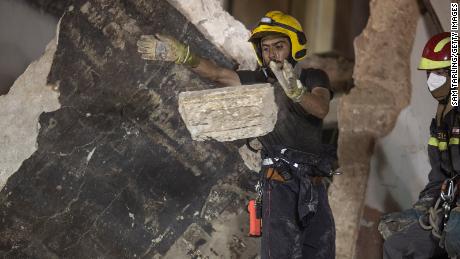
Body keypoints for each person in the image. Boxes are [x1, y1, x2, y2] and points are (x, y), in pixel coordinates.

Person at [137, 10, 336, 259]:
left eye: (279, 46)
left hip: (314, 185)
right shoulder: (257, 82)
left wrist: (296, 91)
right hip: (280, 184)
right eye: (266, 48)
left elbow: (320, 107)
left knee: (321, 251)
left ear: (294, 46)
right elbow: (217, 73)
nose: (272, 53)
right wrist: (183, 55)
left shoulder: (313, 77)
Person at [379, 32, 460, 259]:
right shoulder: (441, 121)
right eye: (431, 72)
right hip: (449, 210)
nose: (434, 79)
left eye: (442, 72)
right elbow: (440, 177)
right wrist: (421, 208)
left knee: (455, 235)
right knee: (397, 246)